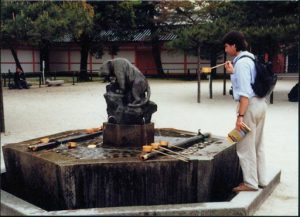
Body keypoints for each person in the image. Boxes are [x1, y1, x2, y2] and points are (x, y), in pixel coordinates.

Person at [223, 31, 267, 192]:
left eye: (227, 47)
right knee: (258, 145)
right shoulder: (250, 58)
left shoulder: (241, 63)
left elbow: (244, 94)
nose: (226, 50)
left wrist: (240, 117)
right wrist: (231, 73)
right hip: (261, 104)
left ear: (234, 45)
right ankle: (261, 179)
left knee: (245, 146)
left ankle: (250, 183)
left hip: (249, 107)